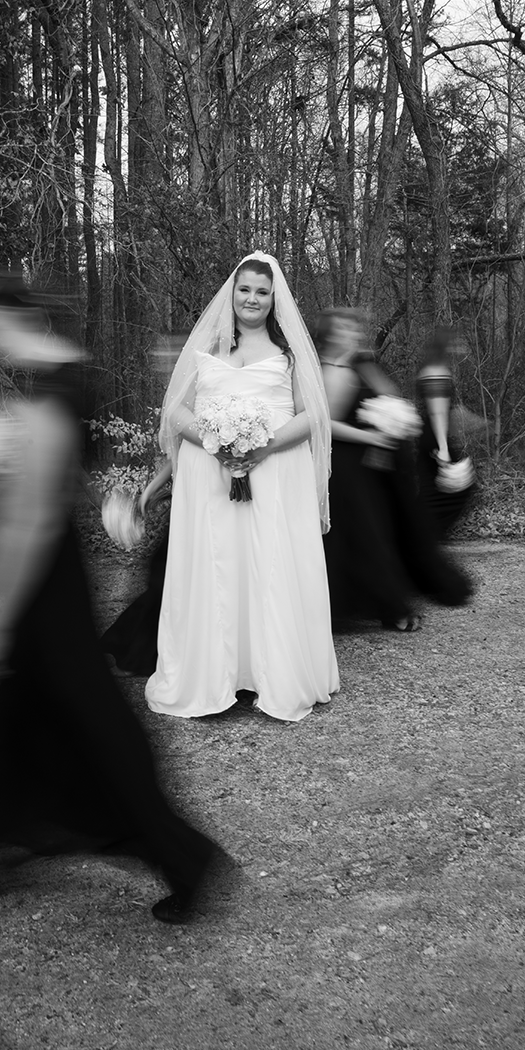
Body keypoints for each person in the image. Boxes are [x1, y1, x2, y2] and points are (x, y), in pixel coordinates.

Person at [0, 292, 221, 924]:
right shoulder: (63, 380)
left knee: (95, 724)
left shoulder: (54, 394)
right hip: (55, 579)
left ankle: (182, 855)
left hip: (47, 586)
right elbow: (61, 484)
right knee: (14, 723)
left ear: (12, 320)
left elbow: (29, 520)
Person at [145, 252, 339, 722]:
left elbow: (313, 416)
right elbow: (177, 411)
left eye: (262, 292)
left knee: (265, 563)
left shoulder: (287, 354)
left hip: (273, 473)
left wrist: (262, 446)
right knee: (218, 565)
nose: (252, 299)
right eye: (245, 289)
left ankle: (271, 672)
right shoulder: (206, 351)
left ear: (274, 300)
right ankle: (214, 675)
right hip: (209, 475)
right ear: (231, 293)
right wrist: (215, 443)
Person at [315, 308, 472, 632]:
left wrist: (395, 419)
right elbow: (325, 425)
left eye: (354, 328)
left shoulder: (361, 364)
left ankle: (380, 604)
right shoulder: (330, 370)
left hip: (369, 468)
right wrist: (372, 434)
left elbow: (387, 395)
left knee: (376, 534)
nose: (353, 333)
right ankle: (379, 608)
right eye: (344, 328)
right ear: (330, 333)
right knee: (360, 537)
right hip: (343, 469)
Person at [101, 459, 172, 677]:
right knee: (163, 575)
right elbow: (181, 452)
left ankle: (134, 653)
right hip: (193, 501)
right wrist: (150, 491)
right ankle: (129, 648)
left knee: (165, 578)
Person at [416, 327, 476, 538]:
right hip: (435, 435)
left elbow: (446, 408)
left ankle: (424, 532)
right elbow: (437, 411)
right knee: (459, 487)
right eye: (456, 342)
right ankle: (427, 532)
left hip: (429, 434)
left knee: (432, 486)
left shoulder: (433, 368)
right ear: (446, 345)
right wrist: (442, 448)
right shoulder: (436, 371)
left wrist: (475, 421)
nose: (460, 346)